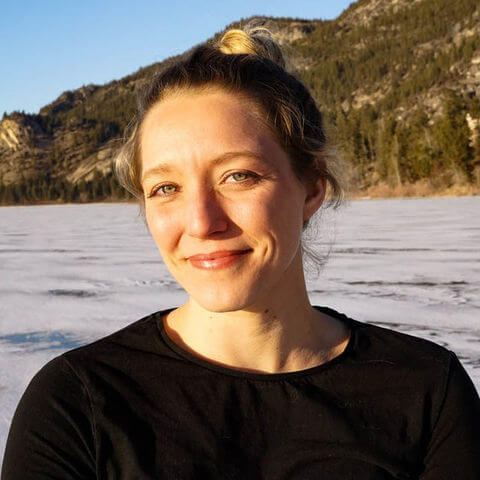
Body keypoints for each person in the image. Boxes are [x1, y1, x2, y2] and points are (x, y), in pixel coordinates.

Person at [2, 21, 480, 480]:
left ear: (313, 188)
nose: (201, 222)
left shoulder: (426, 390)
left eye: (238, 176)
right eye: (166, 188)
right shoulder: (78, 404)